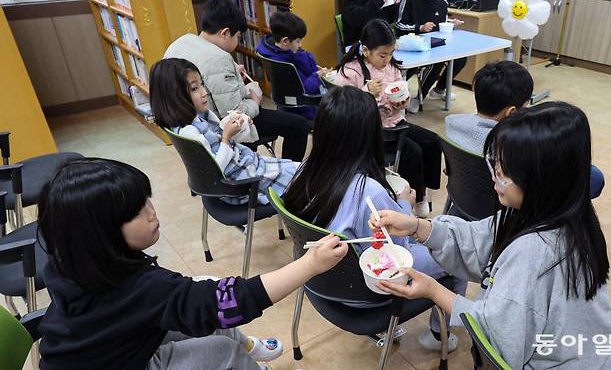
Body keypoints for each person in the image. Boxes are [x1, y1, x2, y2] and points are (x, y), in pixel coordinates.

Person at [370, 102, 611, 370]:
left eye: (503, 173)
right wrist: (418, 227)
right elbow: (477, 238)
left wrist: (433, 290)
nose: (494, 179)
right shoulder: (561, 212)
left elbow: (498, 335)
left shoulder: (535, 253)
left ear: (540, 179)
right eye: (495, 166)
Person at [37, 157, 348, 370]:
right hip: (117, 363)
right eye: (135, 213)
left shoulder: (71, 257)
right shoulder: (142, 288)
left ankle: (247, 345)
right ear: (100, 235)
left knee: (200, 299)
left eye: (146, 199)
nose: (151, 212)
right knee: (219, 350)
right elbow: (230, 301)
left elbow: (203, 303)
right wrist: (309, 265)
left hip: (101, 347)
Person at [284, 86, 466, 352]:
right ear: (370, 134)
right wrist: (405, 202)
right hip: (366, 291)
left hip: (319, 282)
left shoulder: (302, 172)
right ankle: (440, 336)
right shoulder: (368, 191)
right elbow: (399, 254)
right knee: (457, 254)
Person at [164, 0, 310, 161]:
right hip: (220, 125)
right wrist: (255, 101)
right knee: (299, 125)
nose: (238, 42)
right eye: (238, 37)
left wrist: (231, 73)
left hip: (190, 123)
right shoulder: (218, 58)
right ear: (225, 33)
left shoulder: (181, 42)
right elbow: (236, 112)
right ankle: (290, 176)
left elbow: (207, 77)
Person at [445, 60, 605, 199]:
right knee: (594, 177)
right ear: (512, 113)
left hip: (463, 199)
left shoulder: (452, 122)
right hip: (506, 206)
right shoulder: (516, 143)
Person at [149, 58, 298, 205]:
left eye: (202, 85)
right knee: (304, 175)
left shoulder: (200, 117)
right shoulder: (189, 132)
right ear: (175, 97)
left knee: (302, 169)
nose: (204, 92)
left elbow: (218, 139)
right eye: (195, 89)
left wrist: (238, 125)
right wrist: (226, 137)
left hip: (244, 165)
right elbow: (213, 171)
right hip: (240, 182)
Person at [334, 19, 441, 217]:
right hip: (370, 134)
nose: (387, 59)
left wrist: (403, 101)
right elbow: (346, 110)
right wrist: (366, 92)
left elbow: (400, 91)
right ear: (366, 50)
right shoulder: (350, 72)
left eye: (391, 53)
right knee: (414, 152)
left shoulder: (391, 67)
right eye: (383, 55)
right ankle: (417, 198)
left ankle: (424, 189)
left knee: (433, 142)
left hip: (396, 124)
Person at [395, 0, 466, 106]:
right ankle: (419, 97)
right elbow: (400, 25)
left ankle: (439, 90)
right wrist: (419, 28)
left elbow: (440, 24)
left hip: (432, 44)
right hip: (409, 44)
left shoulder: (442, 2)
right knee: (436, 59)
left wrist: (451, 24)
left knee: (460, 58)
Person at [256, 11, 328, 120]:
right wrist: (317, 75)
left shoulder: (271, 51)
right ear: (285, 41)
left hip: (286, 105)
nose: (300, 45)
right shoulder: (286, 64)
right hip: (305, 108)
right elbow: (304, 89)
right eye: (298, 41)